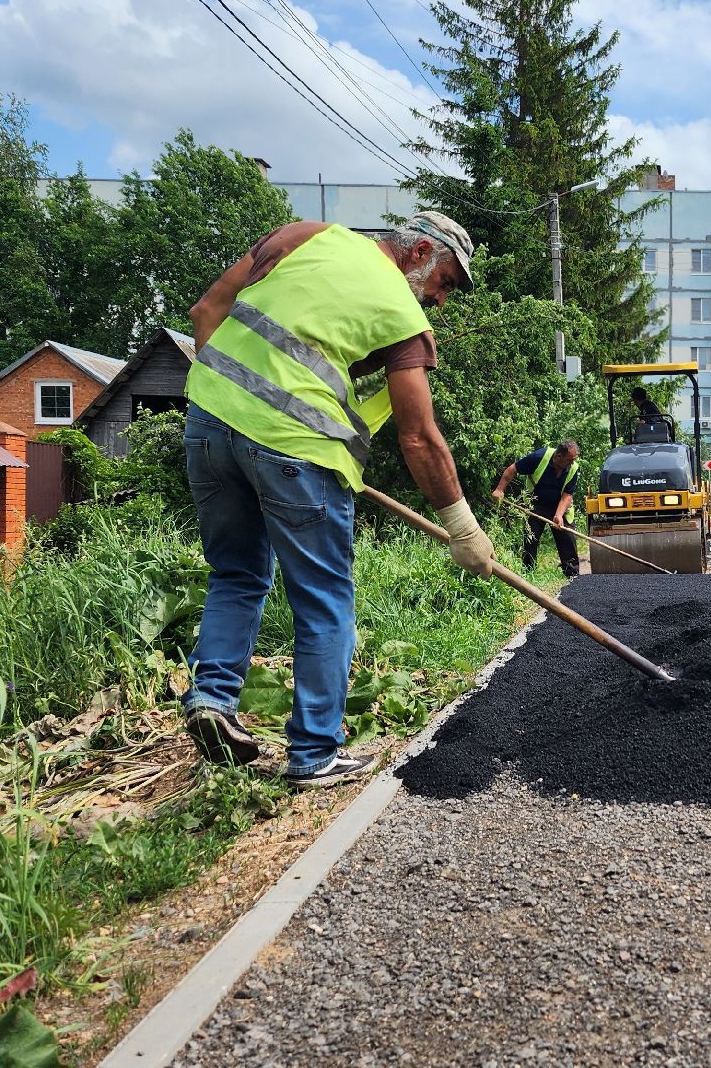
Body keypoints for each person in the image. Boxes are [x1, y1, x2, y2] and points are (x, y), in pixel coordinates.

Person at [179, 211, 494, 788]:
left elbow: (205, 312)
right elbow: (419, 436)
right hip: (297, 453)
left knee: (236, 575)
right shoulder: (402, 317)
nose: (441, 300)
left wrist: (229, 402)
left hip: (206, 425)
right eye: (444, 281)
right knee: (324, 600)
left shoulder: (307, 234)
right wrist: (462, 526)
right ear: (419, 251)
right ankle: (315, 753)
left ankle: (211, 700)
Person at [492, 440, 582, 577]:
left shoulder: (573, 468)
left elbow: (567, 495)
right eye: (569, 460)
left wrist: (558, 515)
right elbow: (512, 469)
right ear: (558, 456)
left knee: (567, 537)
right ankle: (529, 573)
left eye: (574, 459)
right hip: (536, 503)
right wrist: (499, 490)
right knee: (530, 538)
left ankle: (572, 574)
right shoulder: (539, 457)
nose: (572, 463)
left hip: (560, 505)